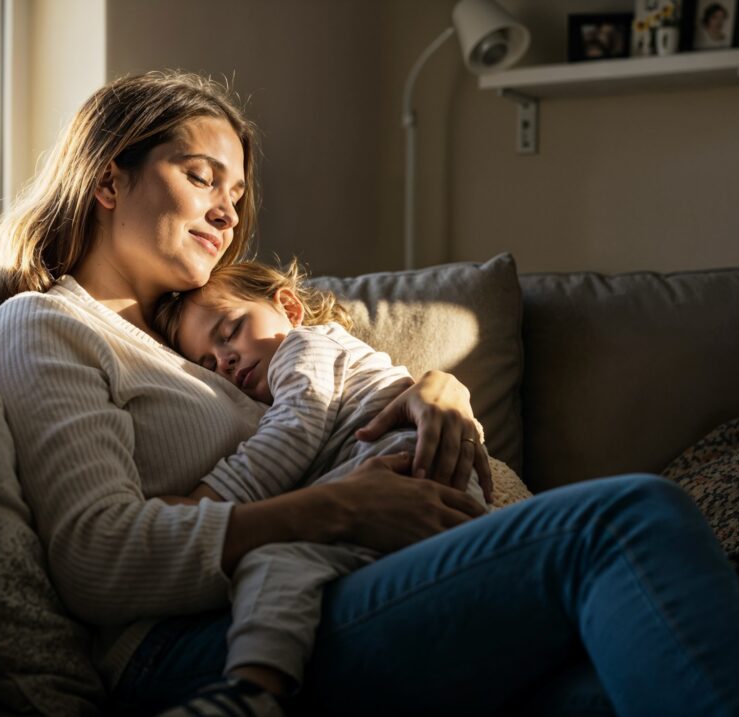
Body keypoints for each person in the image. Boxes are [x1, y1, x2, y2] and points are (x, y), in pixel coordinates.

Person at [0, 70, 739, 716]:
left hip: (342, 590)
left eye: (235, 197)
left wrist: (437, 388)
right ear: (109, 180)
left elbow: (329, 392)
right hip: (201, 649)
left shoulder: (203, 340)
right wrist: (341, 509)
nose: (226, 212)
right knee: (626, 517)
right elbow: (95, 559)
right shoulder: (46, 326)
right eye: (201, 177)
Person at [151, 259, 491, 706]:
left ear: (289, 308)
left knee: (276, 563)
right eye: (207, 363)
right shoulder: (269, 380)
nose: (224, 360)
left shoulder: (305, 346)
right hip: (396, 485)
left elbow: (295, 428)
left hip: (408, 470)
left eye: (230, 331)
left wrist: (208, 498)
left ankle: (254, 690)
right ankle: (254, 691)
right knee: (282, 562)